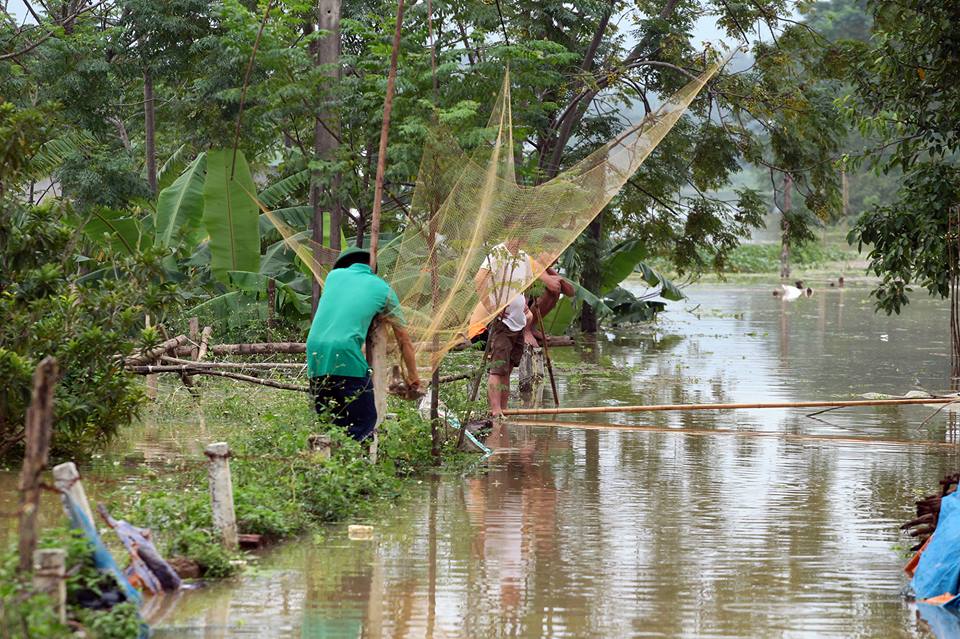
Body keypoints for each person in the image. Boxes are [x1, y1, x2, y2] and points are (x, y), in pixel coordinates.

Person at [306, 246, 421, 442]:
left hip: (314, 351)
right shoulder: (384, 290)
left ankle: (330, 467)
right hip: (346, 351)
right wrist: (413, 377)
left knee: (330, 421)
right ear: (372, 267)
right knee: (365, 421)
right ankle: (354, 465)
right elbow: (404, 339)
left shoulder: (333, 277)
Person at [475, 239, 561, 418]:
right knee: (497, 368)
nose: (522, 239)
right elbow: (479, 280)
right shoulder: (498, 253)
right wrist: (492, 308)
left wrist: (525, 309)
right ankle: (495, 410)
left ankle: (503, 410)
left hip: (518, 323)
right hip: (501, 324)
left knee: (508, 368)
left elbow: (523, 288)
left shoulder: (523, 257)